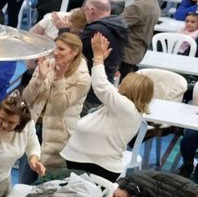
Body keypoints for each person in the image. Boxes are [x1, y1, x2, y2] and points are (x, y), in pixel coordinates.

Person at [61, 39, 153, 181]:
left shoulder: (127, 108)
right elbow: (107, 88)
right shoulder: (125, 107)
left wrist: (98, 58)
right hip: (88, 163)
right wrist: (98, 61)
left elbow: (102, 86)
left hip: (97, 168)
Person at [24, 32, 91, 172]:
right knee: (24, 175)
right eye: (55, 48)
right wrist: (39, 79)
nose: (55, 53)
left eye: (61, 49)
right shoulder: (47, 64)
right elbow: (27, 98)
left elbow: (59, 106)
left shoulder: (83, 78)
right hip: (33, 126)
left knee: (45, 179)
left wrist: (59, 79)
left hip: (58, 135)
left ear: (74, 52)